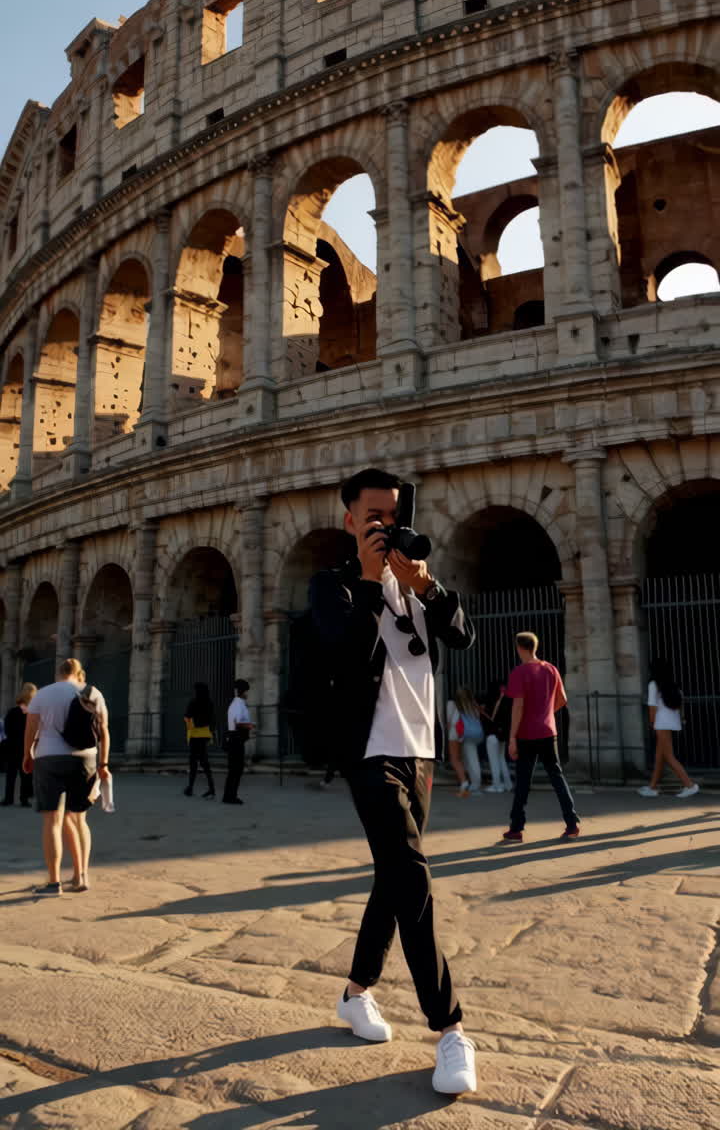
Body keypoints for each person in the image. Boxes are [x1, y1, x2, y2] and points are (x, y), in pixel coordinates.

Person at [310, 468, 477, 1096]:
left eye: (395, 514)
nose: (386, 524)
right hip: (369, 751)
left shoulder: (413, 579)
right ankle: (451, 1027)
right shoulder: (331, 585)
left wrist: (427, 587)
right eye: (374, 515)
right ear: (351, 518)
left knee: (392, 876)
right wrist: (369, 579)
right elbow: (344, 649)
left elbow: (462, 634)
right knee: (412, 875)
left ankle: (355, 994)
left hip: (420, 751)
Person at [22, 658, 110, 895]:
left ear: (58, 673)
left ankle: (53, 883)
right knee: (79, 819)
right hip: (85, 758)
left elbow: (31, 727)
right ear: (79, 673)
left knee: (53, 820)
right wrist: (104, 763)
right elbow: (103, 730)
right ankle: (81, 876)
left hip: (49, 757)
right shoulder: (93, 693)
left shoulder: (44, 694)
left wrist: (27, 754)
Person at [503, 632, 579, 843]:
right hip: (548, 731)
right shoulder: (551, 669)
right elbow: (562, 699)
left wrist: (512, 738)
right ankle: (572, 823)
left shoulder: (519, 672)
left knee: (523, 782)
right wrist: (545, 714)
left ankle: (516, 828)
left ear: (520, 648)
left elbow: (518, 706)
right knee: (557, 776)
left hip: (526, 734)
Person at [638, 659, 699, 798]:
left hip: (661, 723)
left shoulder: (654, 684)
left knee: (669, 757)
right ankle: (652, 787)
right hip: (671, 722)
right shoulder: (672, 684)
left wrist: (652, 724)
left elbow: (652, 707)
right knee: (660, 756)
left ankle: (689, 785)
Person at [2, 683, 37, 807]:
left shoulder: (12, 712)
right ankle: (24, 799)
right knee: (26, 774)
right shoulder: (33, 714)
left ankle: (8, 798)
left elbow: (6, 729)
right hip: (27, 747)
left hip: (12, 747)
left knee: (11, 774)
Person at [446, 685, 485, 795]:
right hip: (471, 734)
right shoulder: (473, 705)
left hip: (455, 733)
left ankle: (466, 783)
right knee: (468, 758)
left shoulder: (452, 704)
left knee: (455, 759)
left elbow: (450, 722)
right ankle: (470, 782)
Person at [222, 678, 253, 804]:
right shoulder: (238, 704)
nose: (247, 693)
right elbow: (237, 722)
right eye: (246, 691)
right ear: (243, 691)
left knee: (234, 769)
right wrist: (250, 726)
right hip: (236, 739)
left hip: (235, 739)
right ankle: (230, 796)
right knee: (236, 769)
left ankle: (229, 795)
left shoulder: (237, 703)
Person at [478, 680, 513, 793]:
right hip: (502, 735)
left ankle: (497, 785)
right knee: (502, 759)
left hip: (492, 736)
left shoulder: (489, 701)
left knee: (494, 761)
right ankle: (508, 784)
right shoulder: (506, 701)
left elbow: (486, 719)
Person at [183, 682, 215, 799]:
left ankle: (190, 788)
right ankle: (211, 788)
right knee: (204, 762)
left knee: (193, 762)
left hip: (195, 735)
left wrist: (190, 727)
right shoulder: (209, 703)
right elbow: (212, 719)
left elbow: (187, 717)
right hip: (205, 734)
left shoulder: (193, 702)